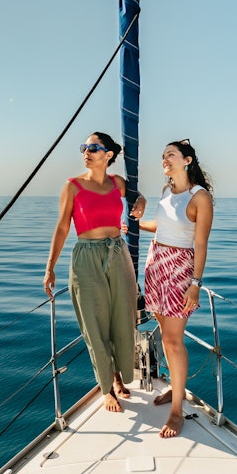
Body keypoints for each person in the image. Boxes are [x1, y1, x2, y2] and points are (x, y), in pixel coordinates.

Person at [44, 132, 146, 413]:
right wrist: (50, 267)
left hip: (118, 253)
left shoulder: (118, 183)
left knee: (122, 317)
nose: (86, 152)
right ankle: (106, 388)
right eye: (84, 147)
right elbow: (63, 227)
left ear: (109, 154)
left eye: (93, 147)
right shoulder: (73, 186)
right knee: (94, 322)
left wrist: (141, 204)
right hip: (86, 256)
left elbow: (138, 197)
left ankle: (118, 376)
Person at [135, 139, 214, 438]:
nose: (165, 160)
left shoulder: (200, 198)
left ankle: (177, 411)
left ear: (187, 160)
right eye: (163, 156)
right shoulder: (168, 191)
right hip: (156, 262)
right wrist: (138, 224)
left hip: (181, 269)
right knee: (163, 332)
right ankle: (175, 388)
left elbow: (201, 243)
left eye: (170, 155)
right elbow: (164, 224)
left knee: (173, 340)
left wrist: (195, 284)